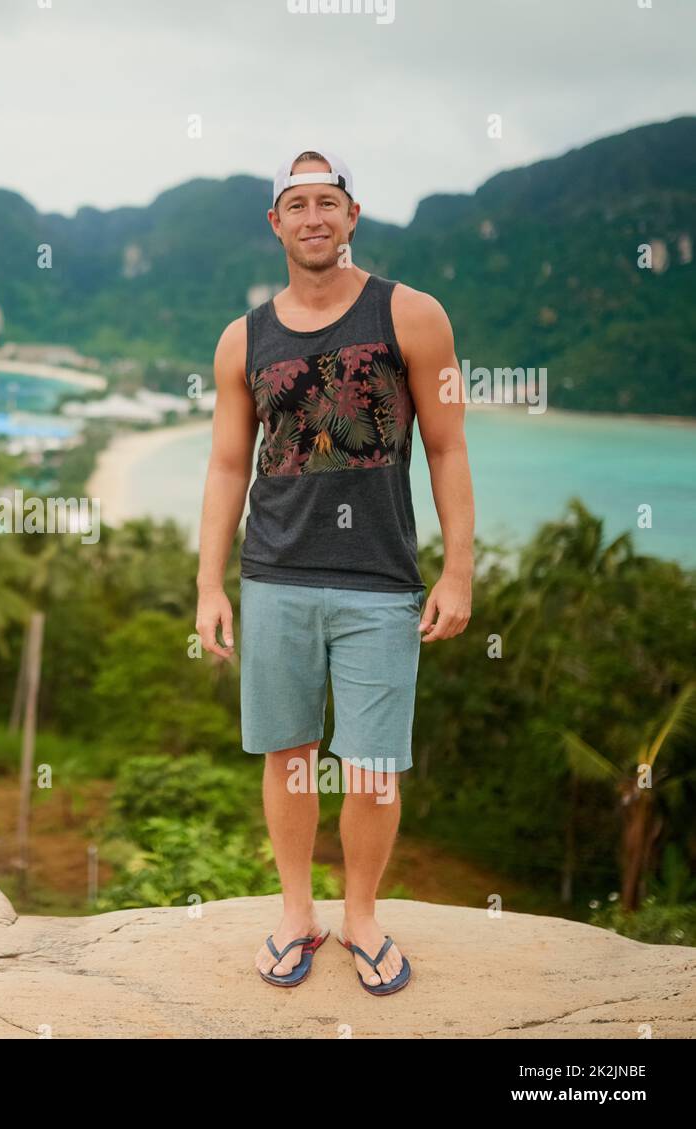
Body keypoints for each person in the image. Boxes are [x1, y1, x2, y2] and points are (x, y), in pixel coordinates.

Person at [195, 148, 475, 995]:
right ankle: (296, 912)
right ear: (275, 223)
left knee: (373, 764)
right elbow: (224, 466)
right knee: (287, 753)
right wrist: (209, 585)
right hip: (274, 572)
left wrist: (457, 571)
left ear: (352, 217)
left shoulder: (414, 315)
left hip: (380, 578)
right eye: (297, 204)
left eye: (329, 202)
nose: (314, 217)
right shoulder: (243, 338)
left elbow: (448, 445)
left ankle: (360, 914)